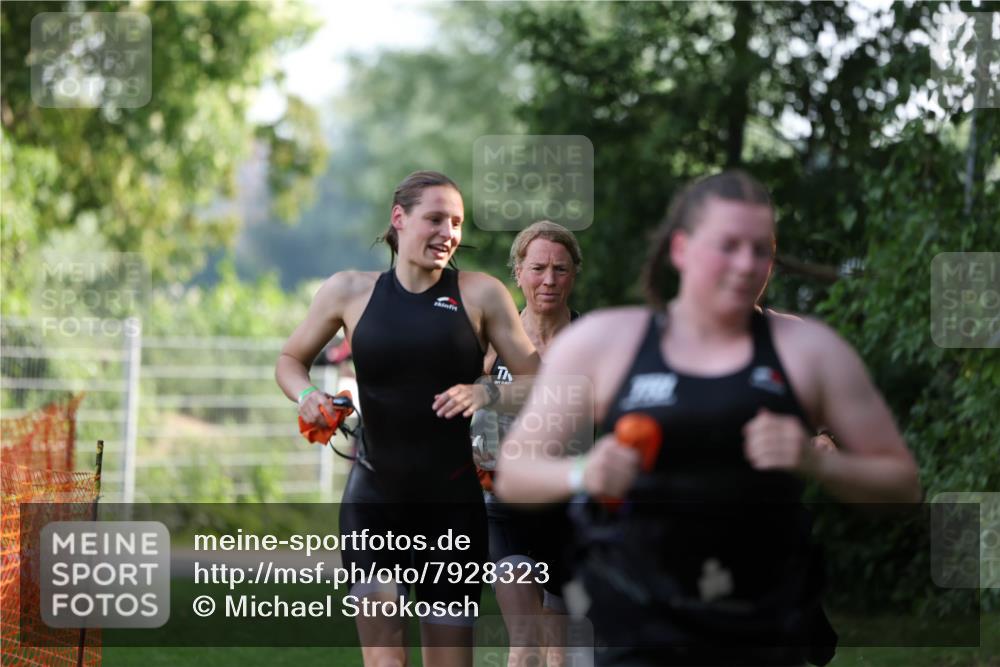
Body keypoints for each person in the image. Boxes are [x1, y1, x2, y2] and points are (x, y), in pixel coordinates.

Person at [494, 170, 921, 666]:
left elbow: (902, 485)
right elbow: (514, 474)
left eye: (761, 249)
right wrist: (583, 472)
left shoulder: (808, 348)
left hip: (757, 618)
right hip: (640, 614)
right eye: (727, 246)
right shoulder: (608, 341)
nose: (746, 263)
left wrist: (819, 461)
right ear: (681, 249)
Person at [276, 171, 540, 667]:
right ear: (399, 218)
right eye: (435, 219)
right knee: (385, 661)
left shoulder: (481, 294)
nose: (449, 233)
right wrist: (308, 395)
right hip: (374, 503)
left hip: (452, 508)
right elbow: (290, 361)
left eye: (457, 222)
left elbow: (539, 380)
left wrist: (485, 390)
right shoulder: (348, 290)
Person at [472, 221, 583, 667]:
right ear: (518, 272)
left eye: (560, 269)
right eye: (538, 268)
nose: (549, 280)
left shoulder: (591, 341)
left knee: (563, 652)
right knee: (525, 642)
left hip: (571, 509)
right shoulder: (491, 339)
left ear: (574, 273)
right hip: (505, 506)